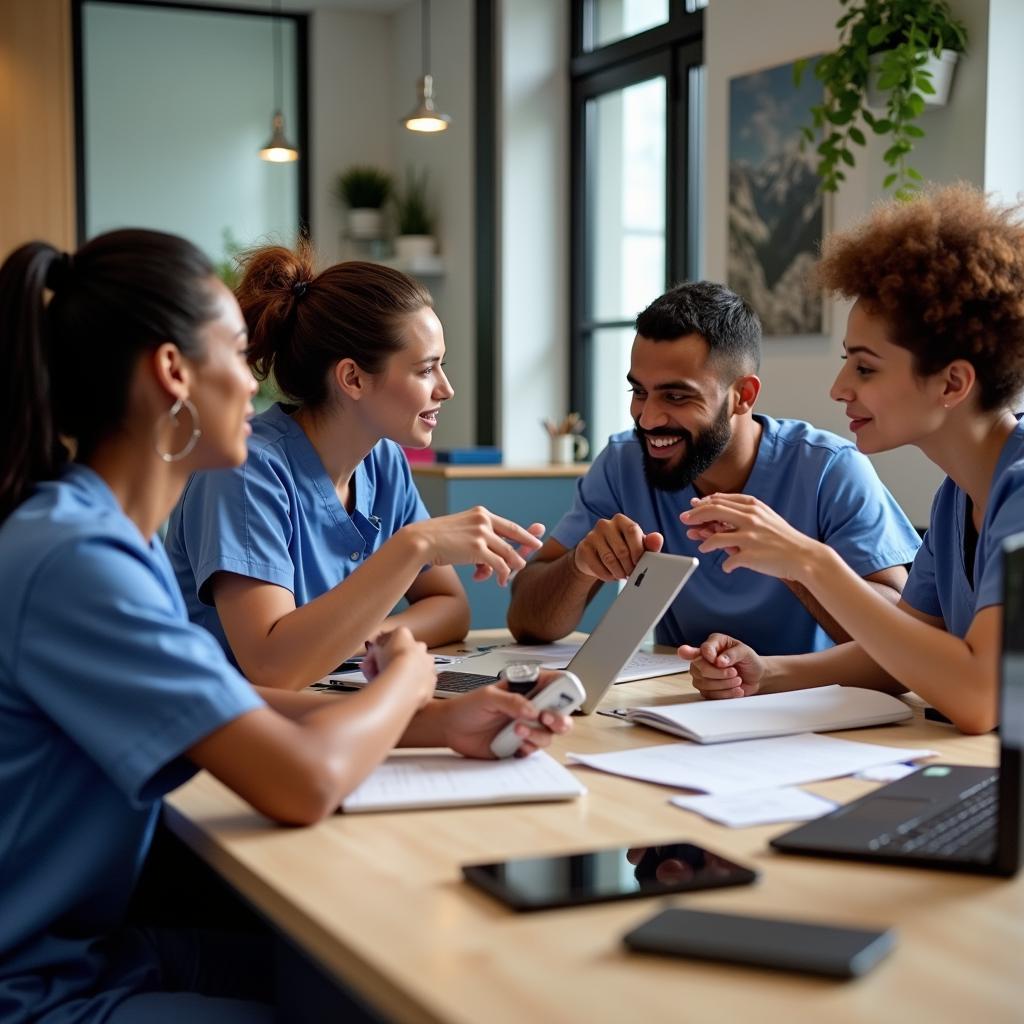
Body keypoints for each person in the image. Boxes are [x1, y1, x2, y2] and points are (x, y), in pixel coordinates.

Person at [0, 230, 571, 1022]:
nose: (256, 381)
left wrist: (438, 722)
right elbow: (302, 782)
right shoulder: (78, 561)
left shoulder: (98, 538)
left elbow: (229, 705)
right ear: (174, 374)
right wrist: (406, 680)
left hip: (97, 949)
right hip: (37, 992)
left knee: (369, 979)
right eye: (238, 353)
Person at [679, 185, 1024, 735]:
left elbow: (979, 699)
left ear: (952, 383)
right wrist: (764, 672)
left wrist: (812, 563)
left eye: (865, 368)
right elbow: (900, 649)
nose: (839, 389)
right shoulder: (958, 495)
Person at [166, 245, 543, 690]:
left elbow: (450, 608)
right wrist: (415, 544)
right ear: (353, 379)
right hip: (222, 739)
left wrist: (350, 639)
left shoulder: (383, 462)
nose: (447, 389)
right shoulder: (245, 471)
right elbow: (272, 666)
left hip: (325, 708)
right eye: (426, 370)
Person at [508, 281, 921, 656]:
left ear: (743, 395)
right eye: (639, 391)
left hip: (811, 709)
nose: (648, 418)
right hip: (678, 704)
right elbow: (528, 623)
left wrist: (794, 564)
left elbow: (901, 635)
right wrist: (579, 564)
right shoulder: (623, 462)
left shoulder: (830, 470)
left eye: (675, 396)